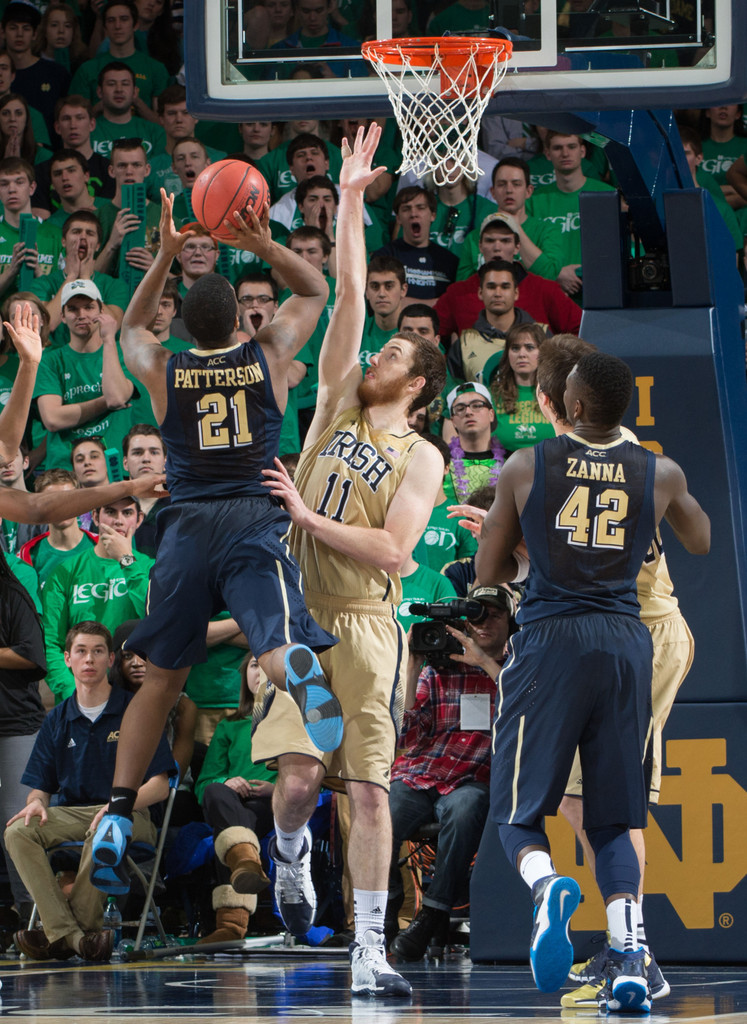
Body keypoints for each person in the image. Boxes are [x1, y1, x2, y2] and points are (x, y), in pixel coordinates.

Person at [89, 187, 339, 896]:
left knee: (162, 679)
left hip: (188, 525)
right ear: (241, 318)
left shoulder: (164, 367)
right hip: (254, 516)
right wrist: (260, 243)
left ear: (187, 326)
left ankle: (114, 807)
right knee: (273, 641)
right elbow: (314, 287)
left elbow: (130, 329)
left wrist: (166, 251)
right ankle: (301, 678)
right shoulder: (270, 356)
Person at [254, 124, 446, 997]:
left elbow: (398, 551)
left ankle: (369, 947)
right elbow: (347, 299)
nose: (376, 353)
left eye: (394, 355)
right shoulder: (335, 404)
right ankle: (289, 855)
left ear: (417, 384)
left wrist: (303, 512)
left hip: (367, 627)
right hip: (302, 615)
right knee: (298, 782)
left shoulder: (423, 455)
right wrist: (351, 198)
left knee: (365, 792)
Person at [475, 350, 710, 1011]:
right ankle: (628, 954)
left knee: (532, 810)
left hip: (575, 634)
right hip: (626, 640)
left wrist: (511, 536)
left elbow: (499, 567)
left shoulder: (539, 463)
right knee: (607, 811)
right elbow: (693, 536)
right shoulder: (650, 466)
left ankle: (574, 905)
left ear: (562, 408)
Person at [532, 332, 693, 1008]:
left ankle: (638, 952)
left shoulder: (582, 459)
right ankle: (625, 941)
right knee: (577, 799)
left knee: (609, 799)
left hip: (641, 635)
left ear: (553, 401)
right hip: (625, 631)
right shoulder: (619, 450)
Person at [5, 620, 173, 962]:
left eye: (98, 652)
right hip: (73, 813)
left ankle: (60, 935)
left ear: (111, 660)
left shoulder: (135, 710)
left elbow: (160, 786)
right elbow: (40, 788)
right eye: (81, 651)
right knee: (16, 833)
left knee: (105, 829)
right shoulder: (57, 719)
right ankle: (76, 938)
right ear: (67, 659)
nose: (89, 659)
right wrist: (36, 803)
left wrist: (119, 806)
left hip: (130, 814)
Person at [388, 584, 513, 961]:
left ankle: (432, 915)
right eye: (477, 615)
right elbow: (407, 735)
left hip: (473, 778)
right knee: (380, 816)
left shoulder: (516, 668)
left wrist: (483, 664)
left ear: (511, 621)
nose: (484, 623)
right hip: (421, 772)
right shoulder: (440, 668)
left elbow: (526, 712)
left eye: (494, 615)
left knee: (464, 811)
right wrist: (412, 667)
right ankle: (386, 913)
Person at [194, 652, 276, 944]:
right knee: (218, 793)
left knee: (227, 831)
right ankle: (246, 860)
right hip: (228, 803)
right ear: (245, 675)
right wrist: (226, 782)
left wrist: (275, 790)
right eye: (254, 665)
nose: (260, 672)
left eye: (267, 666)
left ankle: (230, 926)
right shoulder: (229, 727)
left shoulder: (296, 725)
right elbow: (203, 785)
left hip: (272, 806)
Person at [42, 494, 152, 702]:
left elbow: (153, 616)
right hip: (79, 694)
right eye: (110, 512)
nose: (118, 520)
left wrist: (126, 561)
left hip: (137, 694)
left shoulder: (151, 568)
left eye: (127, 512)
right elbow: (51, 643)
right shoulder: (65, 572)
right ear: (95, 517)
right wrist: (72, 694)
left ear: (139, 519)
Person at [0, 543, 47, 928]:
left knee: (18, 823)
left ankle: (36, 920)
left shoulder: (12, 593)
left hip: (14, 720)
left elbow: (33, 655)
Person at [447, 259, 542, 383]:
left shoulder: (542, 336)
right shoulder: (463, 345)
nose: (498, 293)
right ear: (480, 293)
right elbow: (454, 393)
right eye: (491, 287)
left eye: (505, 287)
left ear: (516, 293)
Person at [18, 468, 97, 585]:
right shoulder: (28, 555)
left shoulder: (102, 544)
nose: (61, 507)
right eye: (52, 501)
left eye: (68, 499)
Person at [484, 322, 555, 453]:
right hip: (503, 468)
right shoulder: (491, 395)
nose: (522, 354)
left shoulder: (555, 395)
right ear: (507, 354)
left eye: (529, 347)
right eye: (515, 348)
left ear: (542, 353)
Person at [443, 382, 506, 503]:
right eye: (460, 408)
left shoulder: (509, 463)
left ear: (491, 414)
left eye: (476, 406)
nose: (468, 412)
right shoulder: (442, 464)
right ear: (453, 421)